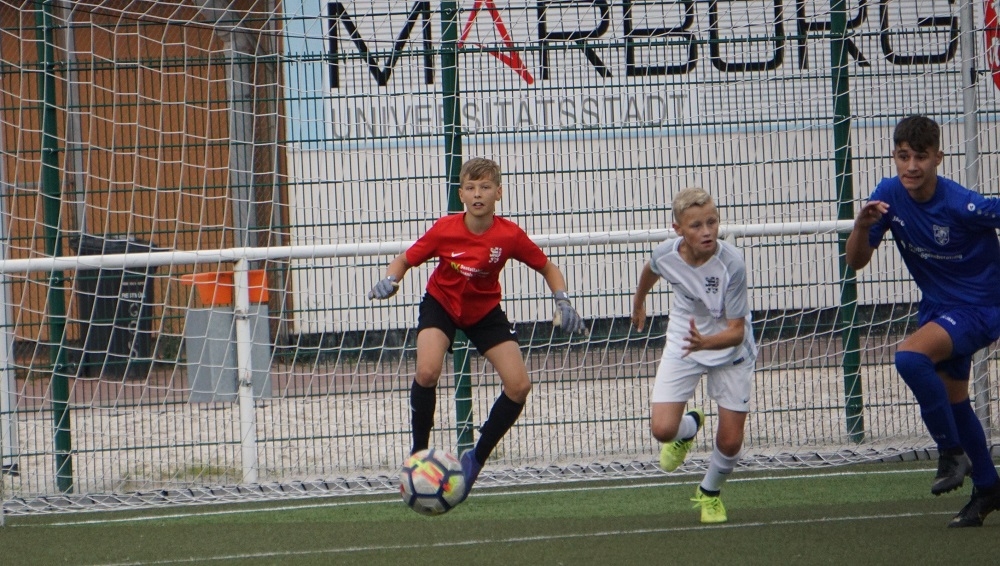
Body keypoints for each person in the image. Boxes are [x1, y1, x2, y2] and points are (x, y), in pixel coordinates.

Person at [368, 157, 587, 504]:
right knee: (427, 371)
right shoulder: (445, 229)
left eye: (485, 187)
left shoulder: (509, 235)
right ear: (461, 194)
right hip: (441, 304)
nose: (477, 194)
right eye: (470, 187)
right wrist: (390, 279)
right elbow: (405, 260)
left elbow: (548, 267)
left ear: (498, 192)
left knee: (519, 386)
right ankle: (419, 456)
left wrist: (563, 301)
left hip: (484, 312)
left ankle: (475, 458)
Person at [846, 115, 1000, 528]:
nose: (911, 166)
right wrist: (861, 226)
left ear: (938, 158)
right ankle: (988, 487)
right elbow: (856, 261)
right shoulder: (887, 196)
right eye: (903, 156)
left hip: (980, 307)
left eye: (921, 157)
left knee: (910, 358)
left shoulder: (960, 203)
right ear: (895, 157)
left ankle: (950, 452)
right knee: (955, 399)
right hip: (938, 308)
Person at [631, 187, 757, 524]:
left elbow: (737, 331)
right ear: (678, 230)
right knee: (662, 429)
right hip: (685, 340)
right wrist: (639, 302)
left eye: (712, 222)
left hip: (728, 348)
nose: (707, 232)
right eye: (697, 225)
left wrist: (706, 343)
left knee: (730, 442)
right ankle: (688, 429)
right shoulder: (666, 254)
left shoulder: (732, 264)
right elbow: (651, 269)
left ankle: (709, 492)